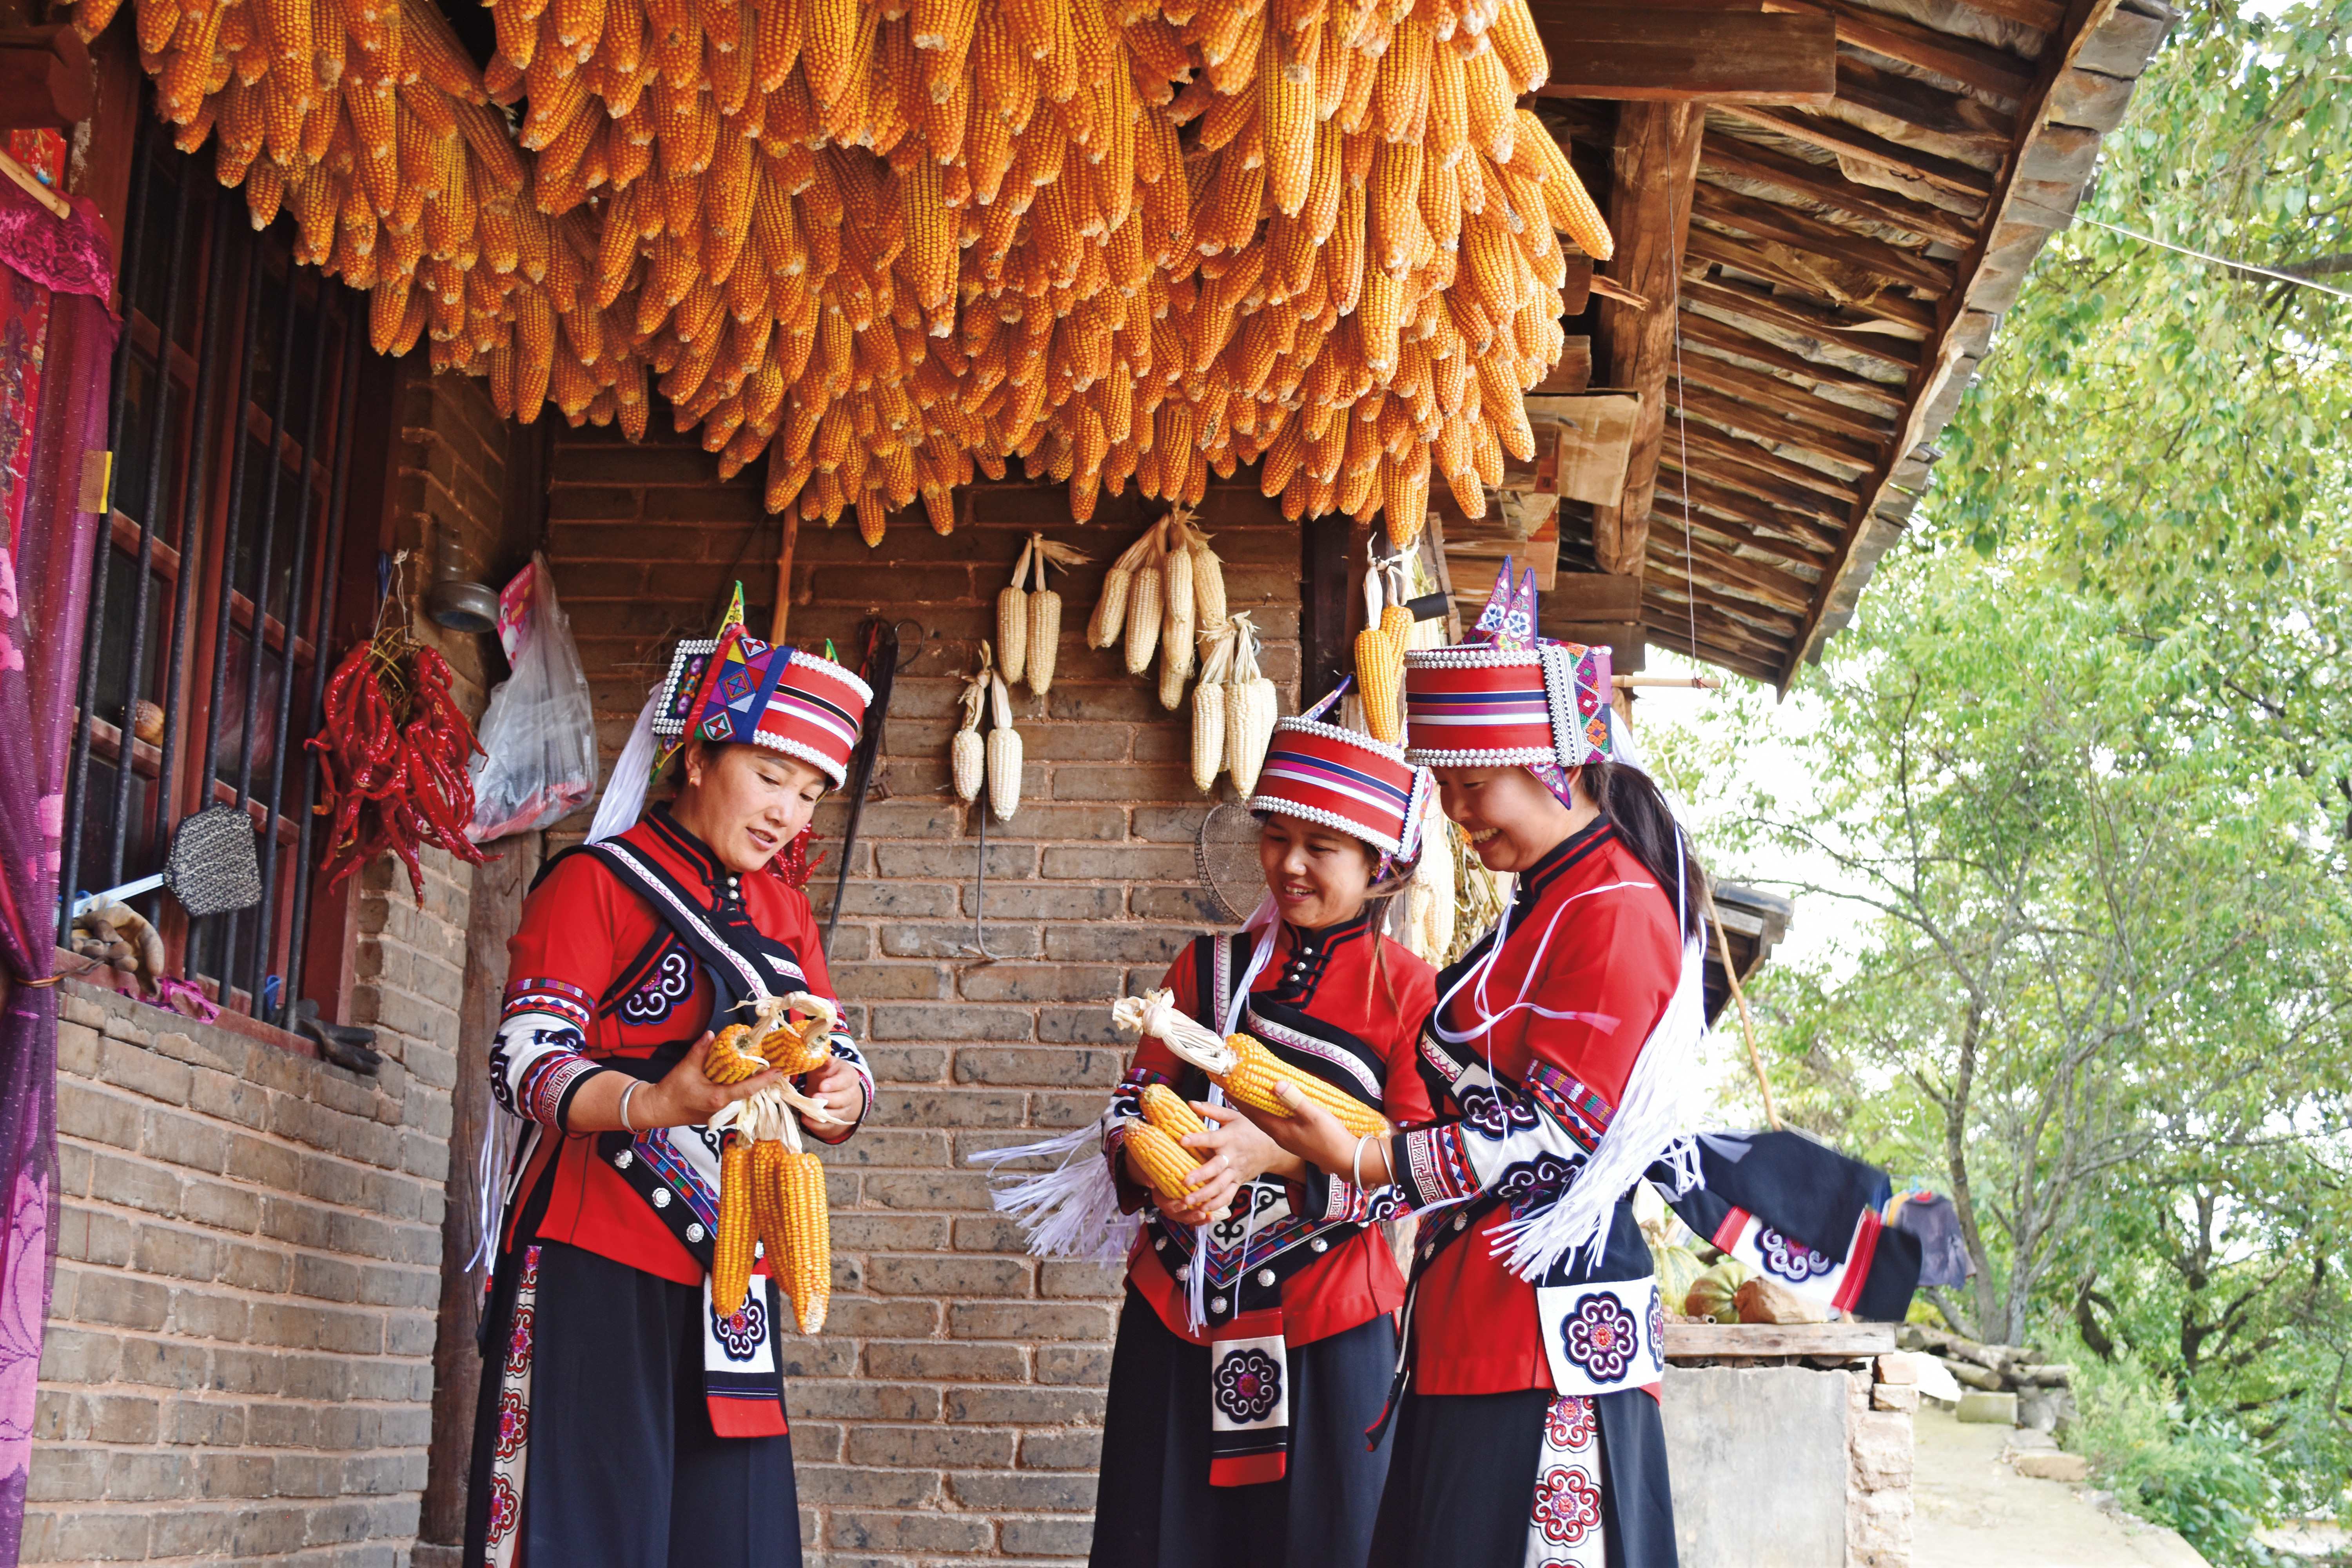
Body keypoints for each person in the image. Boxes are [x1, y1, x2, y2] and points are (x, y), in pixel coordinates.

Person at [1239, 564, 1920, 1568]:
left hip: (1551, 1344)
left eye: (1474, 787)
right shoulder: (1543, 908)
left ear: (1554, 765)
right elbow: (1465, 1127)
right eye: (1449, 791)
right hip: (1474, 1319)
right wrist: (1319, 1166)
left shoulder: (1618, 911)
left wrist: (1365, 1157)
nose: (1462, 819)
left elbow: (1561, 1134)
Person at [463, 595, 875, 1568]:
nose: (788, 811)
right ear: (696, 757)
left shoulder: (785, 917)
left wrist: (844, 1094)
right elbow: (525, 1061)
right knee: (585, 1533)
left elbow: (837, 1049)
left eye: (812, 792)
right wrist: (655, 1100)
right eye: (770, 776)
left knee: (732, 1543)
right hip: (592, 1255)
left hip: (733, 1275)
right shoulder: (594, 883)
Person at [986, 708, 1439, 1568]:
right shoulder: (1208, 969)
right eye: (1276, 836)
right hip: (1181, 1311)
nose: (1290, 864)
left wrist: (1276, 1152)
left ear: (1378, 865)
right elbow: (1130, 1104)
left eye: (1322, 846)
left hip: (1329, 1325)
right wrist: (1160, 1167)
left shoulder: (1411, 996)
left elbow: (1423, 1164)